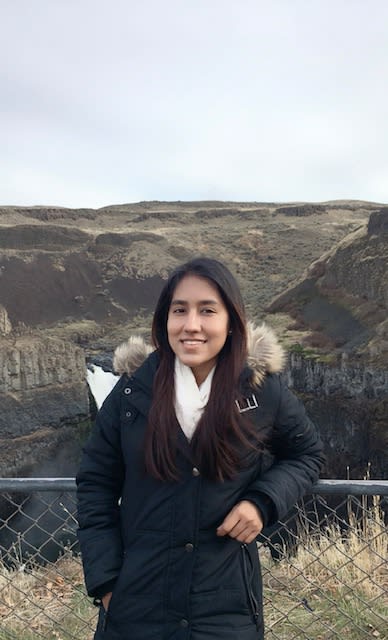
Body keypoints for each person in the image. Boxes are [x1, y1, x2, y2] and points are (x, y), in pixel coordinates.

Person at [76, 257, 324, 640]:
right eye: (180, 311)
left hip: (225, 610)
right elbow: (96, 484)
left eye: (207, 310)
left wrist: (262, 501)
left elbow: (306, 454)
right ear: (165, 321)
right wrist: (107, 583)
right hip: (135, 607)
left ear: (231, 321)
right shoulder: (130, 394)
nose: (192, 325)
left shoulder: (260, 391)